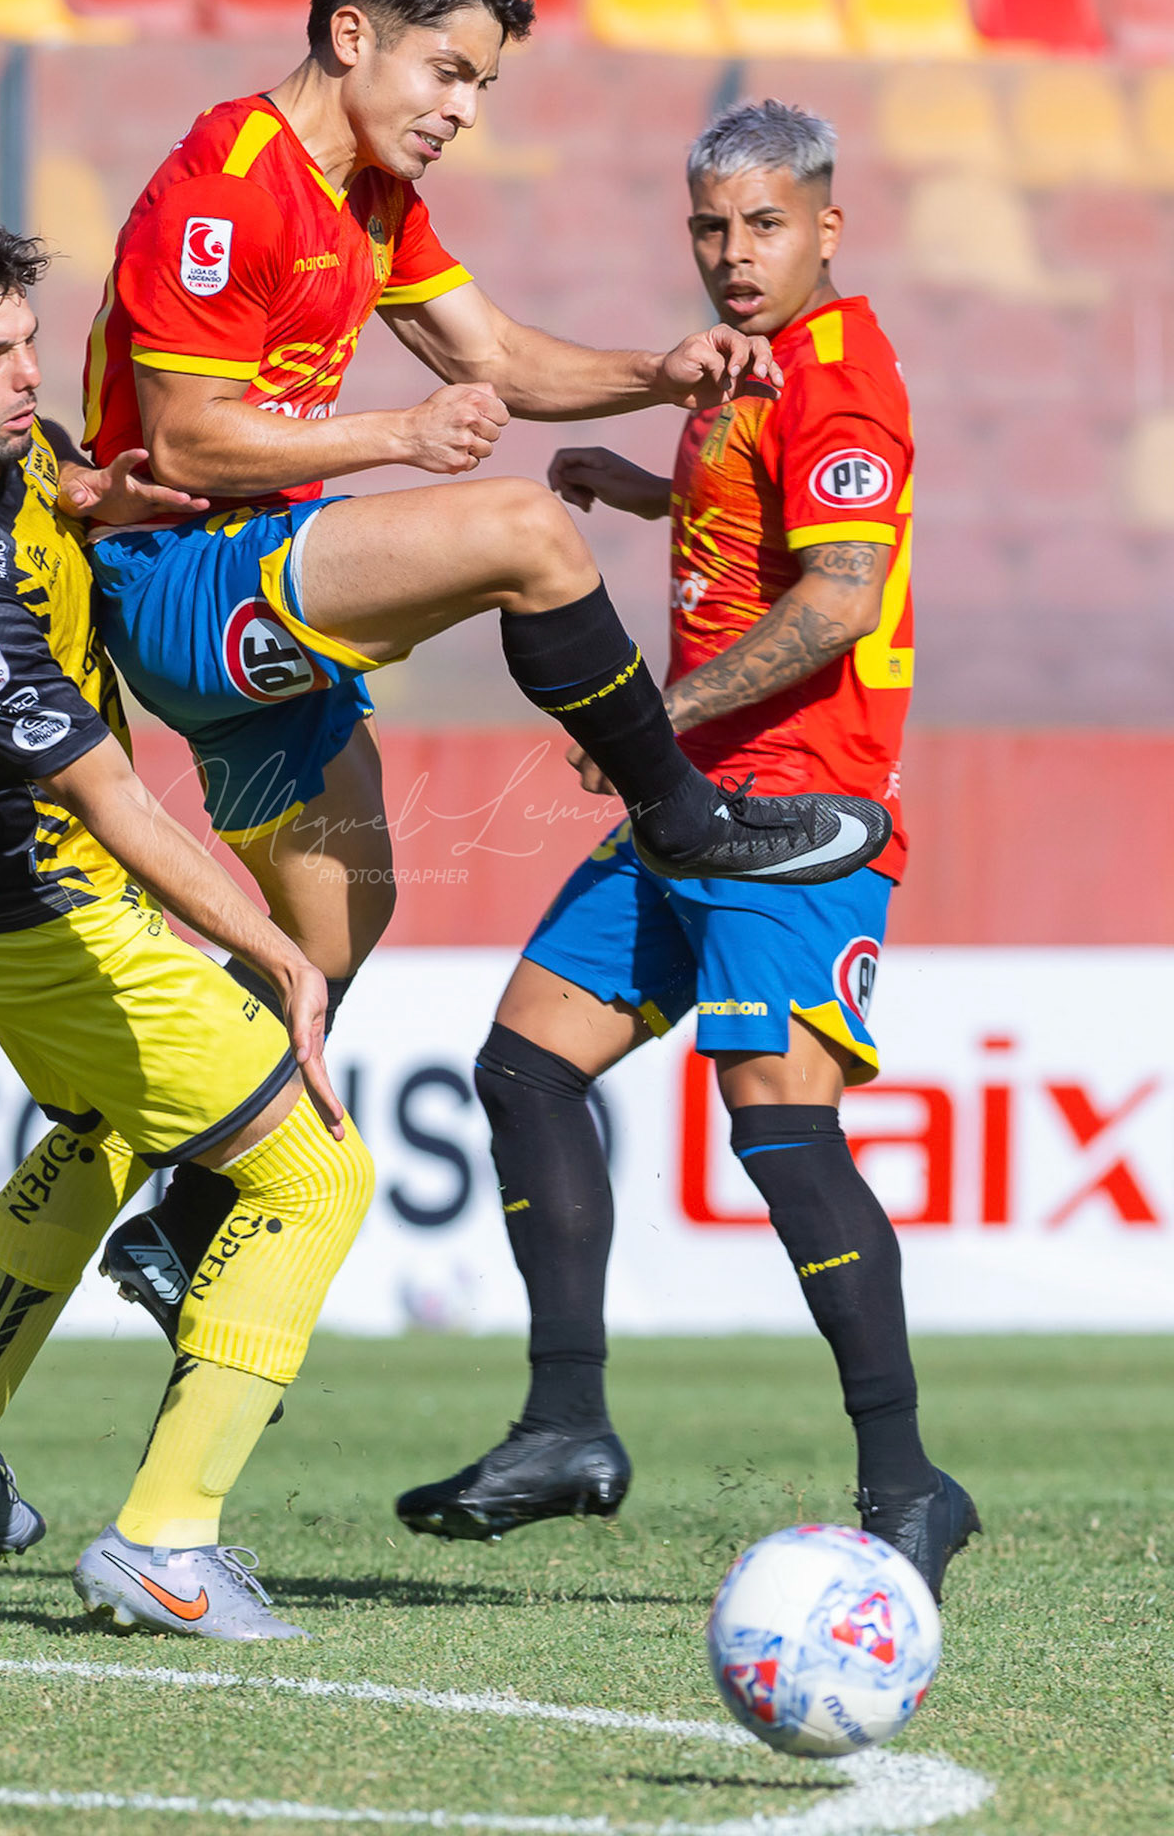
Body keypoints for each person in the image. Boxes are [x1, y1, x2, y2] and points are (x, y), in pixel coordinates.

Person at [61, 0, 892, 1344]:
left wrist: (667, 369)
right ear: (351, 32)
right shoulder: (224, 183)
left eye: (483, 85)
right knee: (522, 529)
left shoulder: (369, 198)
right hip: (180, 584)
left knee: (335, 925)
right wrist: (393, 436)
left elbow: (497, 353)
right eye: (448, 72)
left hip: (270, 579)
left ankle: (170, 1217)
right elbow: (186, 443)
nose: (462, 109)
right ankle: (682, 813)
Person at [393, 100, 980, 1604]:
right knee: (524, 1068)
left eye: (764, 226)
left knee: (783, 1138)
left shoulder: (845, 379)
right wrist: (635, 487)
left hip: (794, 808)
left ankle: (908, 1486)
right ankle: (567, 1426)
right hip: (684, 799)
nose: (733, 255)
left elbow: (841, 594)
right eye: (712, 227)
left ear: (827, 229)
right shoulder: (740, 374)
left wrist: (655, 713)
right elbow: (755, 522)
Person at [0, 210, 374, 1641]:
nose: (28, 381)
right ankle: (164, 1541)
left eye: (25, 344)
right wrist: (277, 954)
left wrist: (88, 499)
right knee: (315, 1181)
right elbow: (115, 798)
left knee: (106, 1130)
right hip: (45, 899)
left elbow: (33, 486)